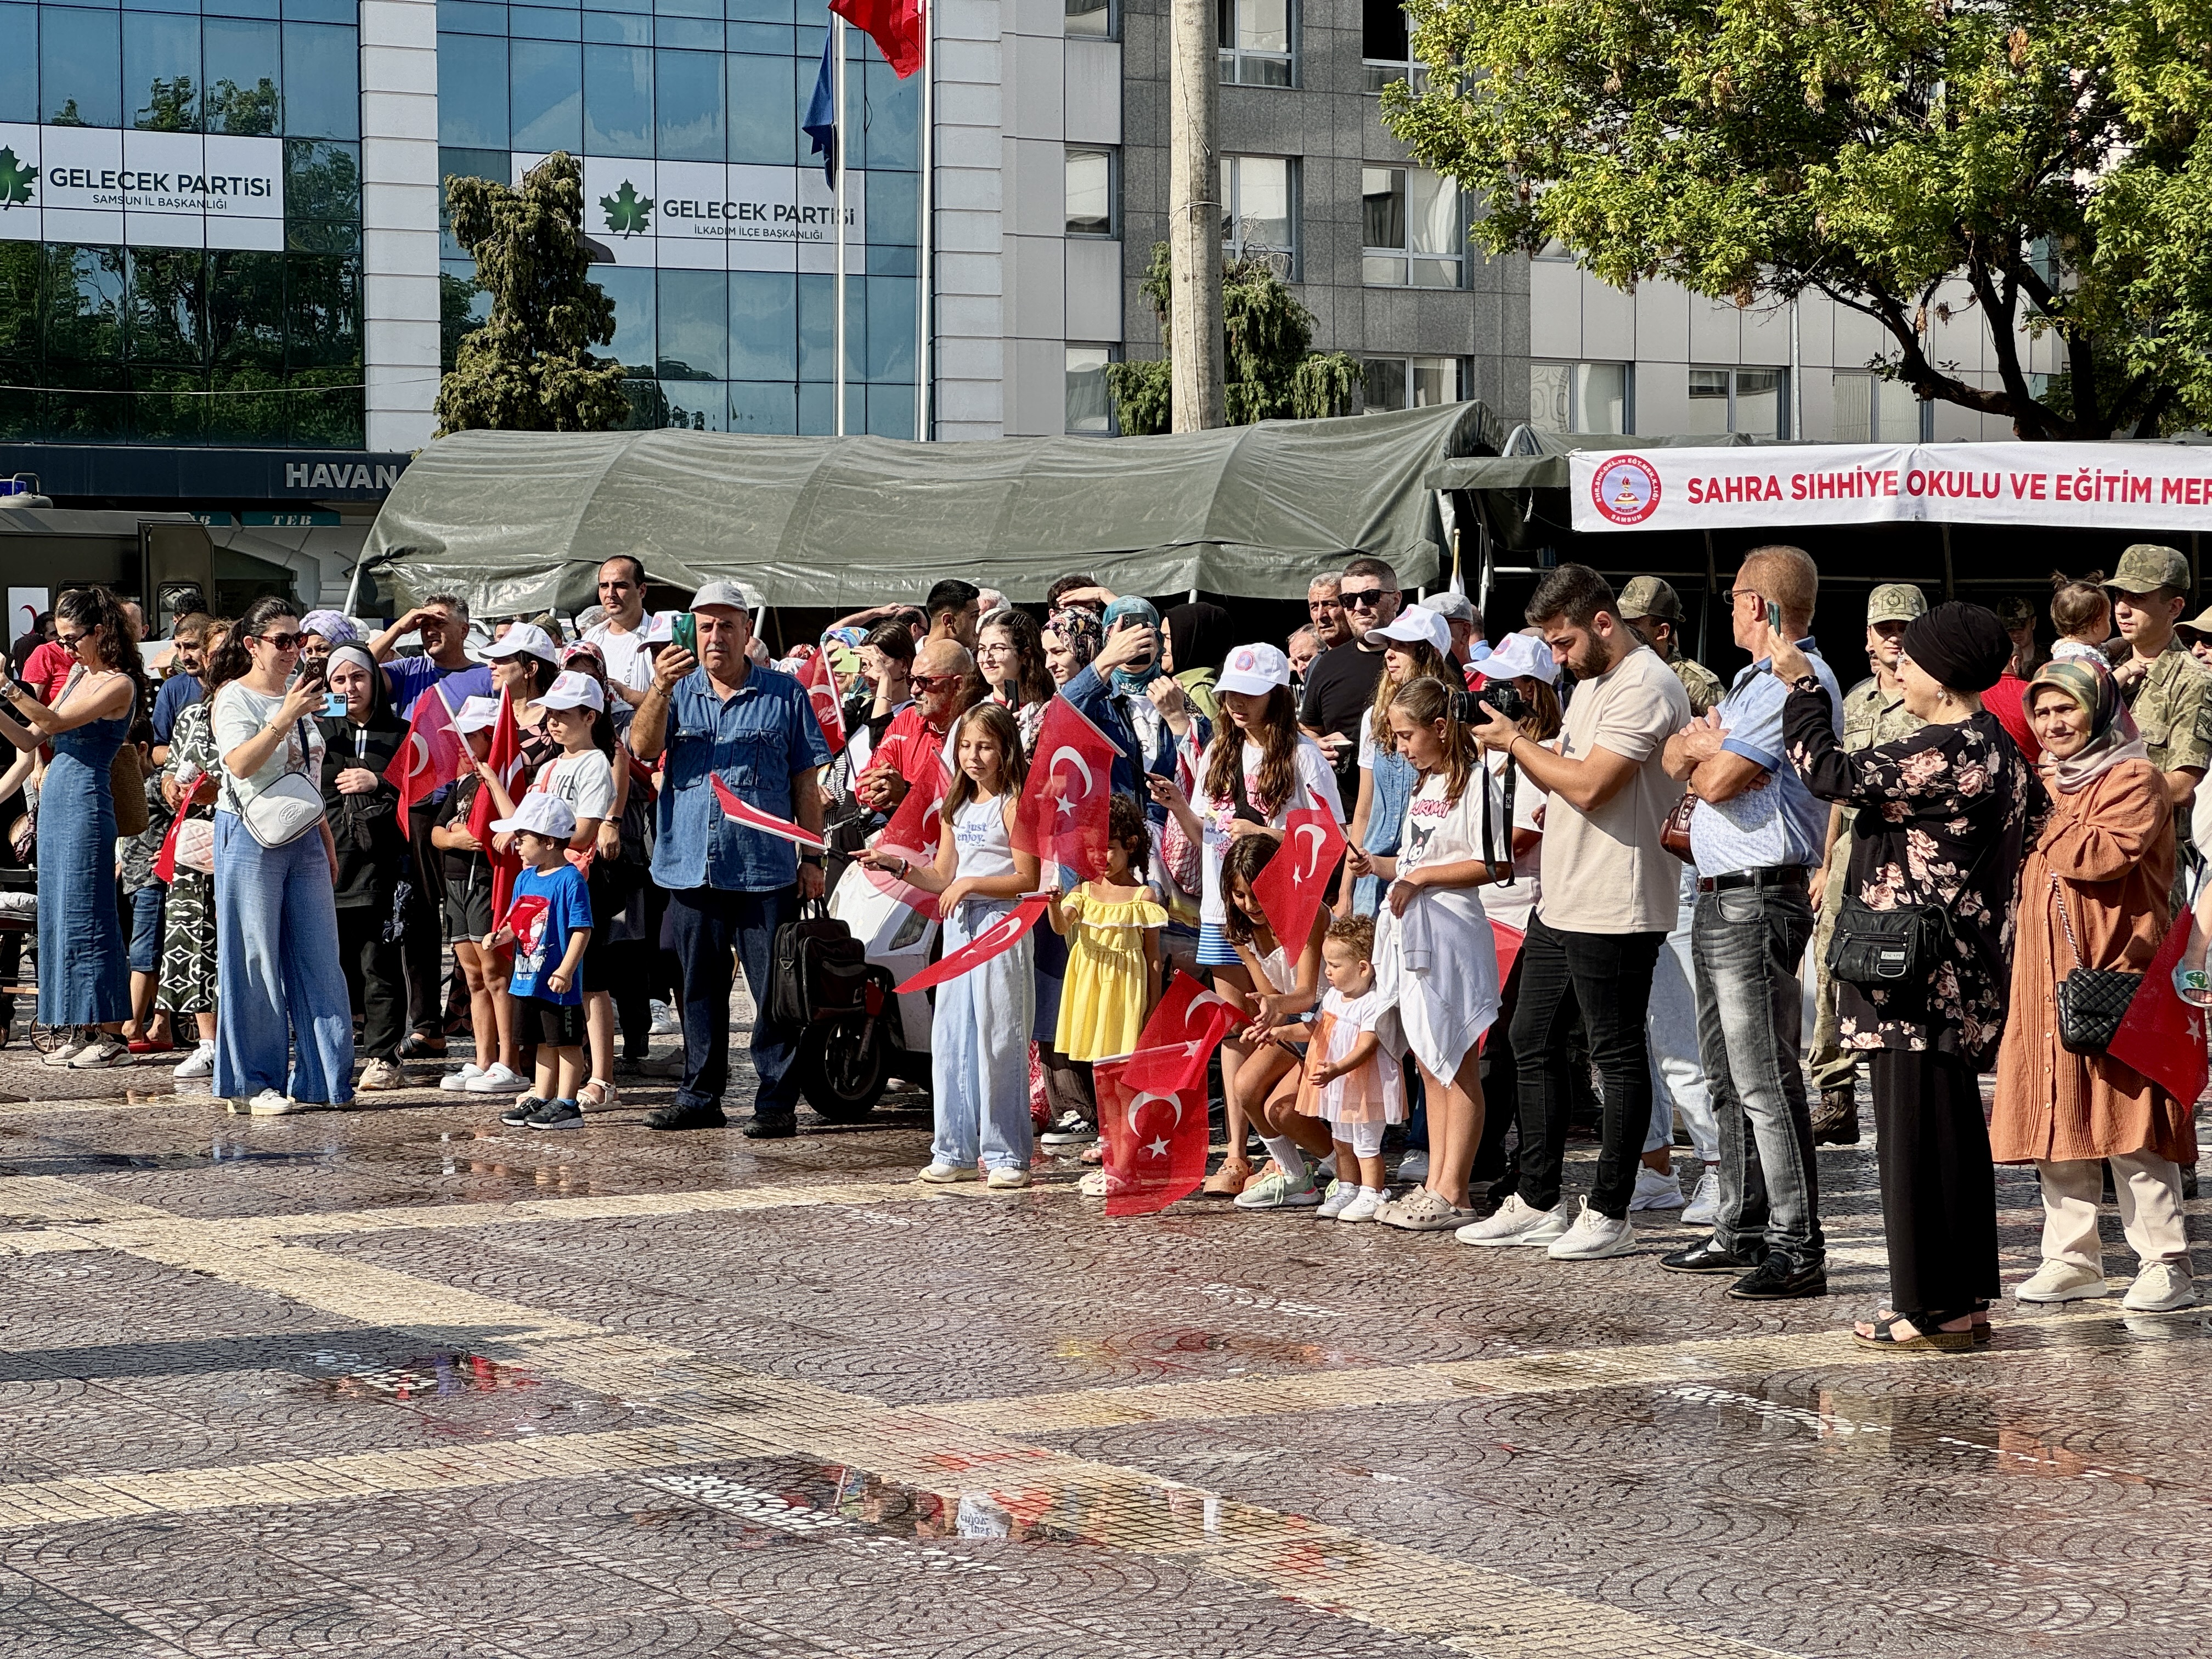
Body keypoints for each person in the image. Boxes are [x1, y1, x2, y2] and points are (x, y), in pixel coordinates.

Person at [1781, 600, 2036, 1351]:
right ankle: (1961, 1302)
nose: (1899, 670)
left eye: (1911, 660)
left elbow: (1826, 770)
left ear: (1944, 674)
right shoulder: (1996, 748)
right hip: (1960, 968)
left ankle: (1928, 1306)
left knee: (1913, 1141)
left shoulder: (1946, 747)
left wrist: (1803, 691)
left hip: (1914, 977)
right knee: (1949, 1138)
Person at [1460, 565, 1691, 1260]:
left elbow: (1591, 786)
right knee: (1529, 1040)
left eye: (1562, 644)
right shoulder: (1591, 682)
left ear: (1601, 622)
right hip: (1562, 897)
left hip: (1617, 900)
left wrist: (1517, 746)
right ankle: (1535, 1198)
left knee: (1615, 1057)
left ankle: (1613, 1207)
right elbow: (1569, 769)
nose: (1557, 660)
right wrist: (1530, 748)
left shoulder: (1647, 683)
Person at [1657, 547, 1839, 1301]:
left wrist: (1708, 751)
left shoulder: (1790, 680)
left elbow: (1721, 777)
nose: (1729, 610)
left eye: (1734, 598)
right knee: (1727, 1075)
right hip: (1718, 890)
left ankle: (1798, 1244)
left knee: (1765, 1076)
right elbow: (1680, 755)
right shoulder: (1750, 683)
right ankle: (1742, 1223)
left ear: (1758, 605)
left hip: (1757, 895)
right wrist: (1702, 750)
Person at [1994, 659, 2196, 1313]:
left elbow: (2100, 856)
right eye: (2042, 713)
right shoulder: (2052, 782)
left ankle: (2165, 1261)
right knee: (2058, 1115)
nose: (2053, 724)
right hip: (2045, 981)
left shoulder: (2133, 778)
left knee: (2129, 1122)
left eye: (2066, 709)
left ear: (2099, 710)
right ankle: (2072, 1258)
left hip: (2118, 974)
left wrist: (2044, 803)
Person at [630, 580, 831, 1136]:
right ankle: (699, 1095)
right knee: (697, 987)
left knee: (771, 992)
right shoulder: (676, 689)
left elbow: (806, 785)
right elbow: (642, 750)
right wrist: (658, 691)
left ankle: (775, 1102)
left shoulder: (784, 694)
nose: (715, 636)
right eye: (706, 626)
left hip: (764, 866)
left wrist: (812, 860)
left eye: (726, 625)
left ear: (748, 632)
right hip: (690, 864)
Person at [1149, 643, 1342, 1197]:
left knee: (1284, 1022)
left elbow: (1329, 840)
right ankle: (1240, 1154)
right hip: (1223, 908)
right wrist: (1179, 808)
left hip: (1281, 907)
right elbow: (1208, 836)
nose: (1237, 703)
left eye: (1251, 694)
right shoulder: (1217, 753)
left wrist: (1261, 835)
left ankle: (1326, 1149)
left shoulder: (1303, 756)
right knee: (1237, 1030)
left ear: (1277, 695)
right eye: (1231, 692)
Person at [862, 703, 1040, 1187]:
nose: (973, 756)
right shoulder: (955, 806)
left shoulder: (1015, 801)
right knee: (952, 1039)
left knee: (999, 1038)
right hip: (959, 928)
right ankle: (954, 1148)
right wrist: (895, 865)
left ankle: (1006, 1155)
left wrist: (971, 885)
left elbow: (1027, 877)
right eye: (965, 745)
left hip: (1002, 928)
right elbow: (942, 875)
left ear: (1006, 750)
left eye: (984, 746)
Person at [1351, 676, 1504, 1231]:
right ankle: (1436, 1181)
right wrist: (1381, 867)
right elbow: (1417, 860)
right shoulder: (1423, 785)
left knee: (1456, 1059)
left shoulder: (1477, 781)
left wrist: (1420, 878)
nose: (1401, 747)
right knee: (1427, 1060)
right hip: (1414, 935)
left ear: (1441, 728)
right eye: (1394, 736)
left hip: (1453, 935)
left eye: (1408, 735)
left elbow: (1489, 863)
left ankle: (1455, 1190)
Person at [205, 598, 356, 1115]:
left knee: (320, 957)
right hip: (248, 831)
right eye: (283, 641)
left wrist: (325, 836)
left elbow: (308, 773)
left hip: (304, 833)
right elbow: (240, 765)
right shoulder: (234, 698)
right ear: (253, 645)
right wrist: (286, 714)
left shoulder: (307, 696)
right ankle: (253, 1084)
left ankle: (325, 1079)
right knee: (255, 959)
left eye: (300, 640)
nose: (295, 650)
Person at [0, 585, 142, 1068]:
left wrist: (7, 686)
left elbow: (56, 723)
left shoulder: (118, 684)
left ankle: (110, 1032)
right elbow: (29, 735)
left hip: (85, 798)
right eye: (59, 639)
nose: (63, 648)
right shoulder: (80, 675)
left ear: (99, 632)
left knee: (90, 910)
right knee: (59, 914)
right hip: (58, 797)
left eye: (70, 638)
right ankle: (76, 1026)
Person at [1807, 583, 1928, 1145]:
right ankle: (1835, 1092)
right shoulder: (1854, 702)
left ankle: (1898, 1082)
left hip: (1908, 856)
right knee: (1831, 959)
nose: (1895, 639)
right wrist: (1825, 860)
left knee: (1900, 963)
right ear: (1867, 639)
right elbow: (1837, 790)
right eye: (1886, 629)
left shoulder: (1935, 700)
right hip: (1852, 851)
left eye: (1905, 628)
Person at [1459, 633, 1562, 1210]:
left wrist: (1456, 867)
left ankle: (1521, 1165)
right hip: (1483, 909)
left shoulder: (1542, 748)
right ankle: (1490, 1156)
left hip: (1524, 912)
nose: (1484, 695)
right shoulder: (1486, 755)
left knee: (1517, 1046)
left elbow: (1524, 836)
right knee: (1491, 1045)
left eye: (1497, 685)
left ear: (1527, 691)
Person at [370, 593, 495, 1061]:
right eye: (425, 624)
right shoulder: (409, 671)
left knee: (472, 913)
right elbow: (357, 666)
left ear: (465, 628)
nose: (430, 630)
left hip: (469, 803)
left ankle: (470, 1014)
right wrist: (401, 626)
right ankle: (426, 1024)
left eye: (440, 622)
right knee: (421, 915)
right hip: (419, 807)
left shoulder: (485, 675)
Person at [1047, 793, 1166, 1176]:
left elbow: (1153, 958)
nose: (1100, 857)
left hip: (1127, 991)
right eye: (1093, 849)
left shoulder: (1142, 896)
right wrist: (1053, 904)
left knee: (1124, 1072)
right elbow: (1062, 926)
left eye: (1109, 849)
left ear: (1130, 845)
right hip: (1091, 990)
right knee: (1101, 1070)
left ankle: (1131, 1140)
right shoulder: (1082, 892)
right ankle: (1108, 1139)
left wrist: (1153, 1004)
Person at [1216, 833, 1330, 1209]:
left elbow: (1307, 993)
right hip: (1299, 1025)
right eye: (1239, 895)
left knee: (1279, 1110)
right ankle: (1296, 1177)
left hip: (1336, 1020)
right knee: (1244, 1086)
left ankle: (1344, 1173)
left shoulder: (1310, 912)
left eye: (1256, 893)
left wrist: (1275, 1007)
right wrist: (1267, 1015)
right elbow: (1274, 998)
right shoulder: (1242, 932)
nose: (1249, 904)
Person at [316, 643, 410, 1093]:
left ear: (375, 680)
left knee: (379, 963)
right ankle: (332, 1049)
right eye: (340, 680)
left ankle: (384, 1055)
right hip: (325, 862)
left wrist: (380, 782)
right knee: (330, 965)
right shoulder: (318, 731)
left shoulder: (401, 732)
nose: (350, 687)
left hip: (378, 865)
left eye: (359, 677)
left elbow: (425, 793)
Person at [431, 697, 526, 1097]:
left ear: (492, 736)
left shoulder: (500, 778)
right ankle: (484, 1059)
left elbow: (511, 824)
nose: (463, 745)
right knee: (472, 977)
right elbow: (436, 834)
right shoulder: (465, 783)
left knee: (496, 974)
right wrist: (454, 836)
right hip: (455, 886)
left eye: (471, 736)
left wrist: (469, 833)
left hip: (487, 883)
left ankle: (510, 1061)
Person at [1288, 915, 1404, 1223]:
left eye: (1335, 965)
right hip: (1339, 1082)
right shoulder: (1333, 998)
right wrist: (1280, 1033)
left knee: (1367, 1143)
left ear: (1363, 967)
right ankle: (1348, 1186)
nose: (1327, 971)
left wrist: (1337, 1068)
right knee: (1341, 1140)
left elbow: (1368, 1045)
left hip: (1366, 1084)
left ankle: (1372, 1191)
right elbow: (1315, 1029)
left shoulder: (1374, 1002)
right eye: (1327, 963)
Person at [488, 792, 594, 1131]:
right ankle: (544, 1096)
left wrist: (566, 969)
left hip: (557, 981)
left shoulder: (570, 879)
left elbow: (581, 929)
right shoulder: (525, 878)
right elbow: (519, 924)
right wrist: (500, 937)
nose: (516, 845)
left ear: (548, 841)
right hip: (528, 977)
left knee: (565, 1042)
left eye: (523, 839)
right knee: (541, 1041)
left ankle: (567, 1102)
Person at [1345, 604, 1457, 918]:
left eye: (1402, 647)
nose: (1389, 655)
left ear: (1430, 654)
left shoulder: (1452, 718)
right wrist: (1346, 890)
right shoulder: (1375, 717)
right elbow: (1364, 807)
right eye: (1389, 646)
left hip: (1425, 869)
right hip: (1372, 866)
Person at [159, 619, 229, 1082]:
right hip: (192, 843)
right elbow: (169, 762)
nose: (192, 658)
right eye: (182, 648)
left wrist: (215, 790)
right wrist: (169, 785)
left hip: (236, 833)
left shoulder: (251, 707)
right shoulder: (190, 714)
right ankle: (207, 1042)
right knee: (194, 938)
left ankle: (242, 1040)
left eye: (197, 648)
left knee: (235, 941)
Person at [2106, 544, 2212, 836]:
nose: (2121, 608)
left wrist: (2098, 790)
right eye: (2119, 595)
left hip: (2152, 853)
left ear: (2174, 607)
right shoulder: (2103, 662)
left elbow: (2182, 785)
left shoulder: (2192, 680)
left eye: (2137, 597)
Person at [1299, 556, 1402, 808]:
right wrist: (1316, 745)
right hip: (1346, 810)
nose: (1359, 607)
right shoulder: (1327, 664)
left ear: (1396, 599)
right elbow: (1308, 728)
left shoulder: (1422, 655)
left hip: (1410, 807)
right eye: (1348, 600)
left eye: (1370, 597)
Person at [119, 716, 175, 1054]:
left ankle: (133, 1024)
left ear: (141, 750)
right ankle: (161, 1024)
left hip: (153, 881)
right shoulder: (129, 785)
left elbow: (185, 811)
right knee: (153, 951)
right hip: (135, 880)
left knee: (145, 951)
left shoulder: (154, 784)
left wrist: (170, 849)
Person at [1617, 577, 1722, 715]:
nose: (1621, 631)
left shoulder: (1695, 685)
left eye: (1632, 626)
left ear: (1662, 632)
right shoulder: (1612, 668)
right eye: (1620, 623)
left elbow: (1724, 732)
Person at [583, 555, 655, 709]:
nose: (610, 593)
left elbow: (675, 705)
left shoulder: (659, 638)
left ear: (642, 590)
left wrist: (625, 693)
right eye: (604, 586)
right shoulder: (591, 639)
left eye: (620, 585)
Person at [977, 608, 1055, 748]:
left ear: (1024, 655)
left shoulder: (1047, 713)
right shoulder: (972, 714)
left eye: (997, 648)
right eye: (982, 649)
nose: (987, 658)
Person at [150, 611, 215, 765]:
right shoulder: (172, 689)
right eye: (179, 647)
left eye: (192, 646)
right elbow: (156, 750)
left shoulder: (236, 685)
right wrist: (191, 756)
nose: (184, 656)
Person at [1160, 601, 1232, 722]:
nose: (1162, 646)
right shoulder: (1181, 686)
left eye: (1168, 638)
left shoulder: (1200, 694)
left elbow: (1208, 740)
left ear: (1191, 643)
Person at [2049, 571, 2112, 662]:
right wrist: (2128, 669)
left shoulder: (2065, 647)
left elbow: (2110, 647)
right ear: (2096, 625)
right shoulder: (2086, 655)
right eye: (2108, 618)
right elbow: (2103, 676)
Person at [1427, 590, 1488, 672]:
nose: (1428, 640)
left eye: (1439, 628)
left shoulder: (1486, 680)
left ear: (1465, 632)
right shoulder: (1418, 681)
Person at [299, 610, 360, 676]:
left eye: (322, 650)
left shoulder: (360, 678)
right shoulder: (300, 683)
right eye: (309, 651)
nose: (314, 656)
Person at [926, 579, 984, 650]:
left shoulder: (978, 658)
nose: (980, 622)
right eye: (973, 616)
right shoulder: (912, 657)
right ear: (948, 621)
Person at [1306, 575, 1348, 652]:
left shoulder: (1371, 658)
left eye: (1329, 605)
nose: (1320, 615)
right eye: (1314, 607)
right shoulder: (1316, 663)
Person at [1286, 626, 1321, 693]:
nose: (1300, 669)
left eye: (1306, 658)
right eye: (1295, 663)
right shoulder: (1300, 693)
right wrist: (1284, 666)